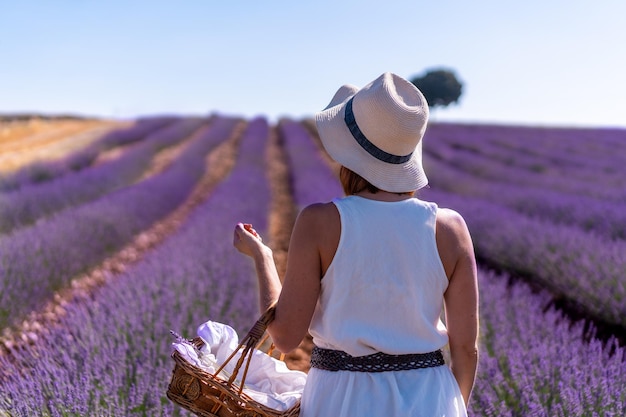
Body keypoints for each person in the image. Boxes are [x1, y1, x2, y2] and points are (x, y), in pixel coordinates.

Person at [234, 72, 479, 416]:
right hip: (430, 396)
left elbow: (286, 338)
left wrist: (262, 256)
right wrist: (453, 405)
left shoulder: (320, 222)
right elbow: (466, 349)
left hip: (343, 399)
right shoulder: (450, 228)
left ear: (348, 156)